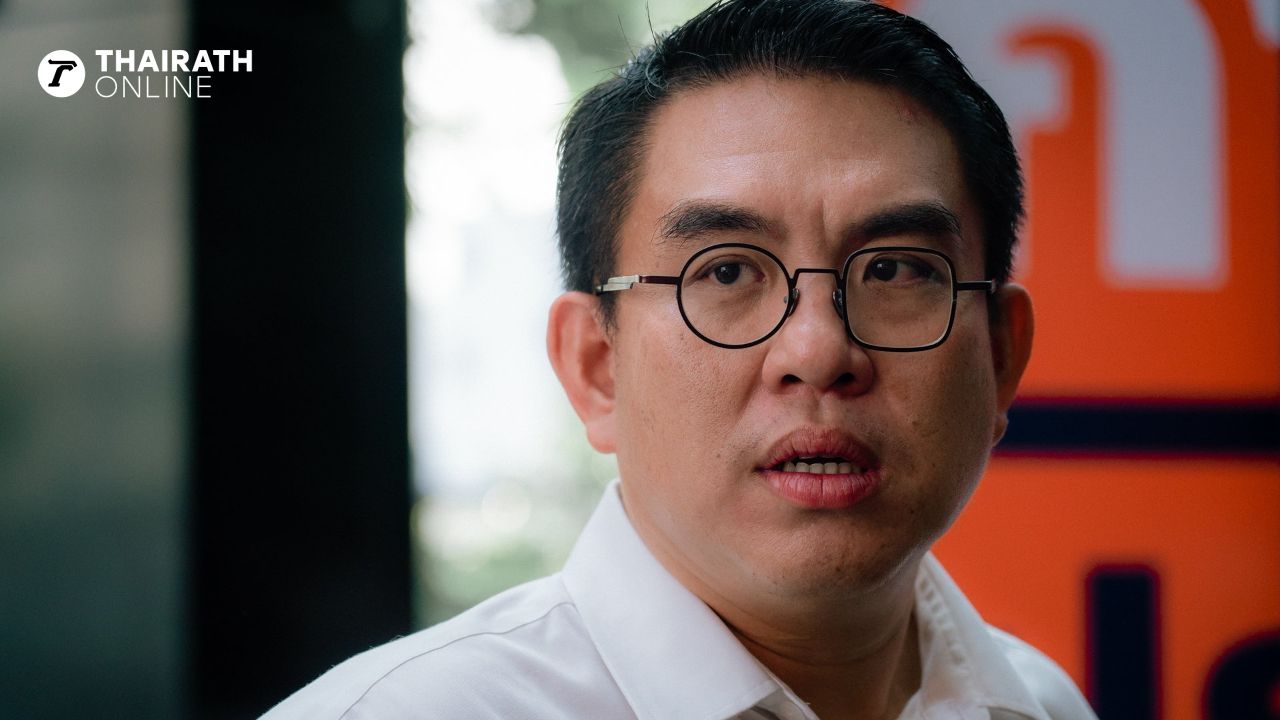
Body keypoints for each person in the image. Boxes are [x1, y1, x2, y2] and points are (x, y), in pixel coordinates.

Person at [263, 1, 1098, 718]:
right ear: (597, 366)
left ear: (1000, 357)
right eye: (726, 272)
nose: (818, 351)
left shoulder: (1041, 704)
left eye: (893, 270)